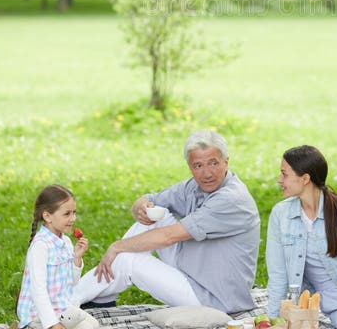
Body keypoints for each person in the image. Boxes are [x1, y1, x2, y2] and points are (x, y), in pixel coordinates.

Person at [73, 129, 260, 313]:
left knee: (127, 260)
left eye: (213, 163)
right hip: (191, 270)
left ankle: (67, 302)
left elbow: (169, 236)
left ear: (226, 162)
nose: (207, 173)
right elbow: (150, 199)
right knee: (153, 214)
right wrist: (141, 206)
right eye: (198, 166)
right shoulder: (194, 187)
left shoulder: (232, 199)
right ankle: (101, 298)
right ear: (190, 167)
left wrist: (117, 246)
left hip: (214, 299)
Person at [266, 145, 337, 329]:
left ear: (305, 178)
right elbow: (278, 275)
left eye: (284, 174)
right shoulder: (281, 214)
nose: (279, 180)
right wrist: (271, 321)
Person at [17, 184, 89, 329]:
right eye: (67, 214)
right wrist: (52, 324)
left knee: (90, 328)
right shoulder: (40, 247)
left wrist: (77, 258)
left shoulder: (66, 242)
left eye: (74, 213)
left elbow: (72, 282)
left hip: (60, 307)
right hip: (39, 314)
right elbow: (38, 290)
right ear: (47, 216)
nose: (73, 219)